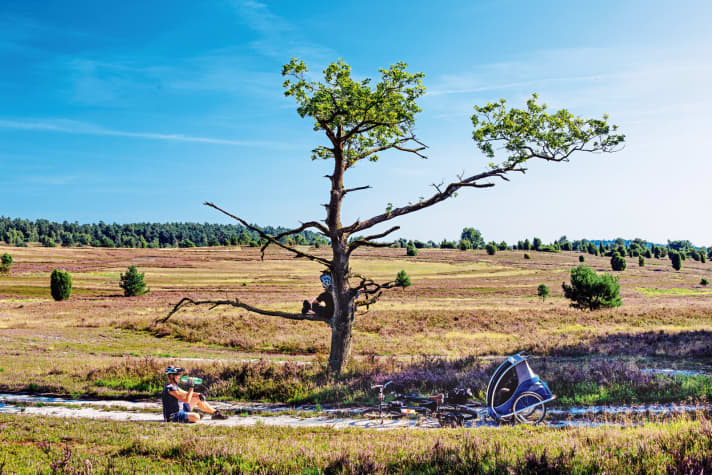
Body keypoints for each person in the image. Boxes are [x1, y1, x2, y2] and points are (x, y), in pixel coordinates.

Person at [162, 366, 228, 422]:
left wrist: (198, 394)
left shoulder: (174, 386)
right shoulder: (170, 388)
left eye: (179, 374)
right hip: (173, 416)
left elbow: (185, 393)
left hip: (180, 409)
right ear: (171, 375)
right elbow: (186, 400)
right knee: (196, 417)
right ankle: (194, 415)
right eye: (177, 374)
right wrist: (191, 387)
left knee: (198, 398)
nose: (179, 376)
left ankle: (215, 413)